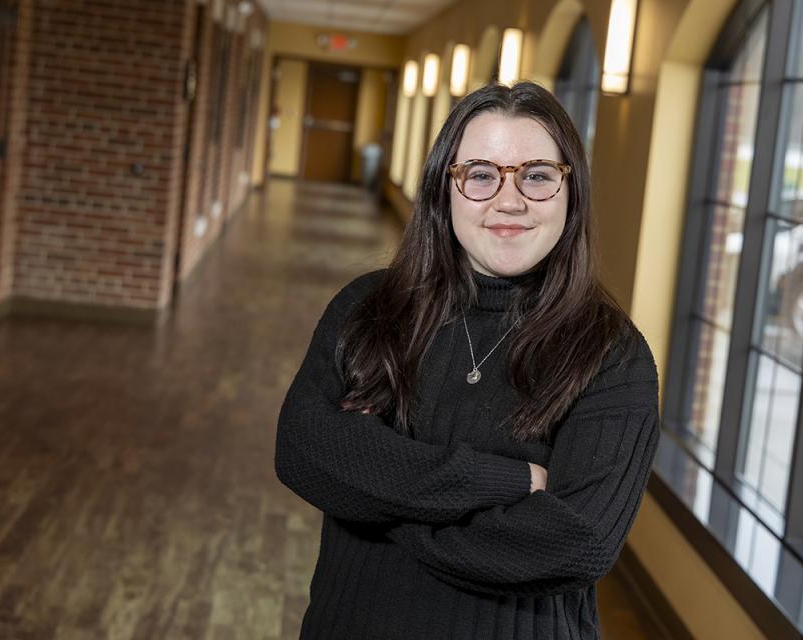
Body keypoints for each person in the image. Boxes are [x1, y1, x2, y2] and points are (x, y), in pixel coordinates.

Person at [275, 81, 660, 640]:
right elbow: (303, 448)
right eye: (480, 174)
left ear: (570, 192)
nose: (510, 200)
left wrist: (376, 497)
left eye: (537, 175)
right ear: (443, 190)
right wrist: (502, 480)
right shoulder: (369, 308)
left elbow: (575, 543)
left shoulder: (611, 354)